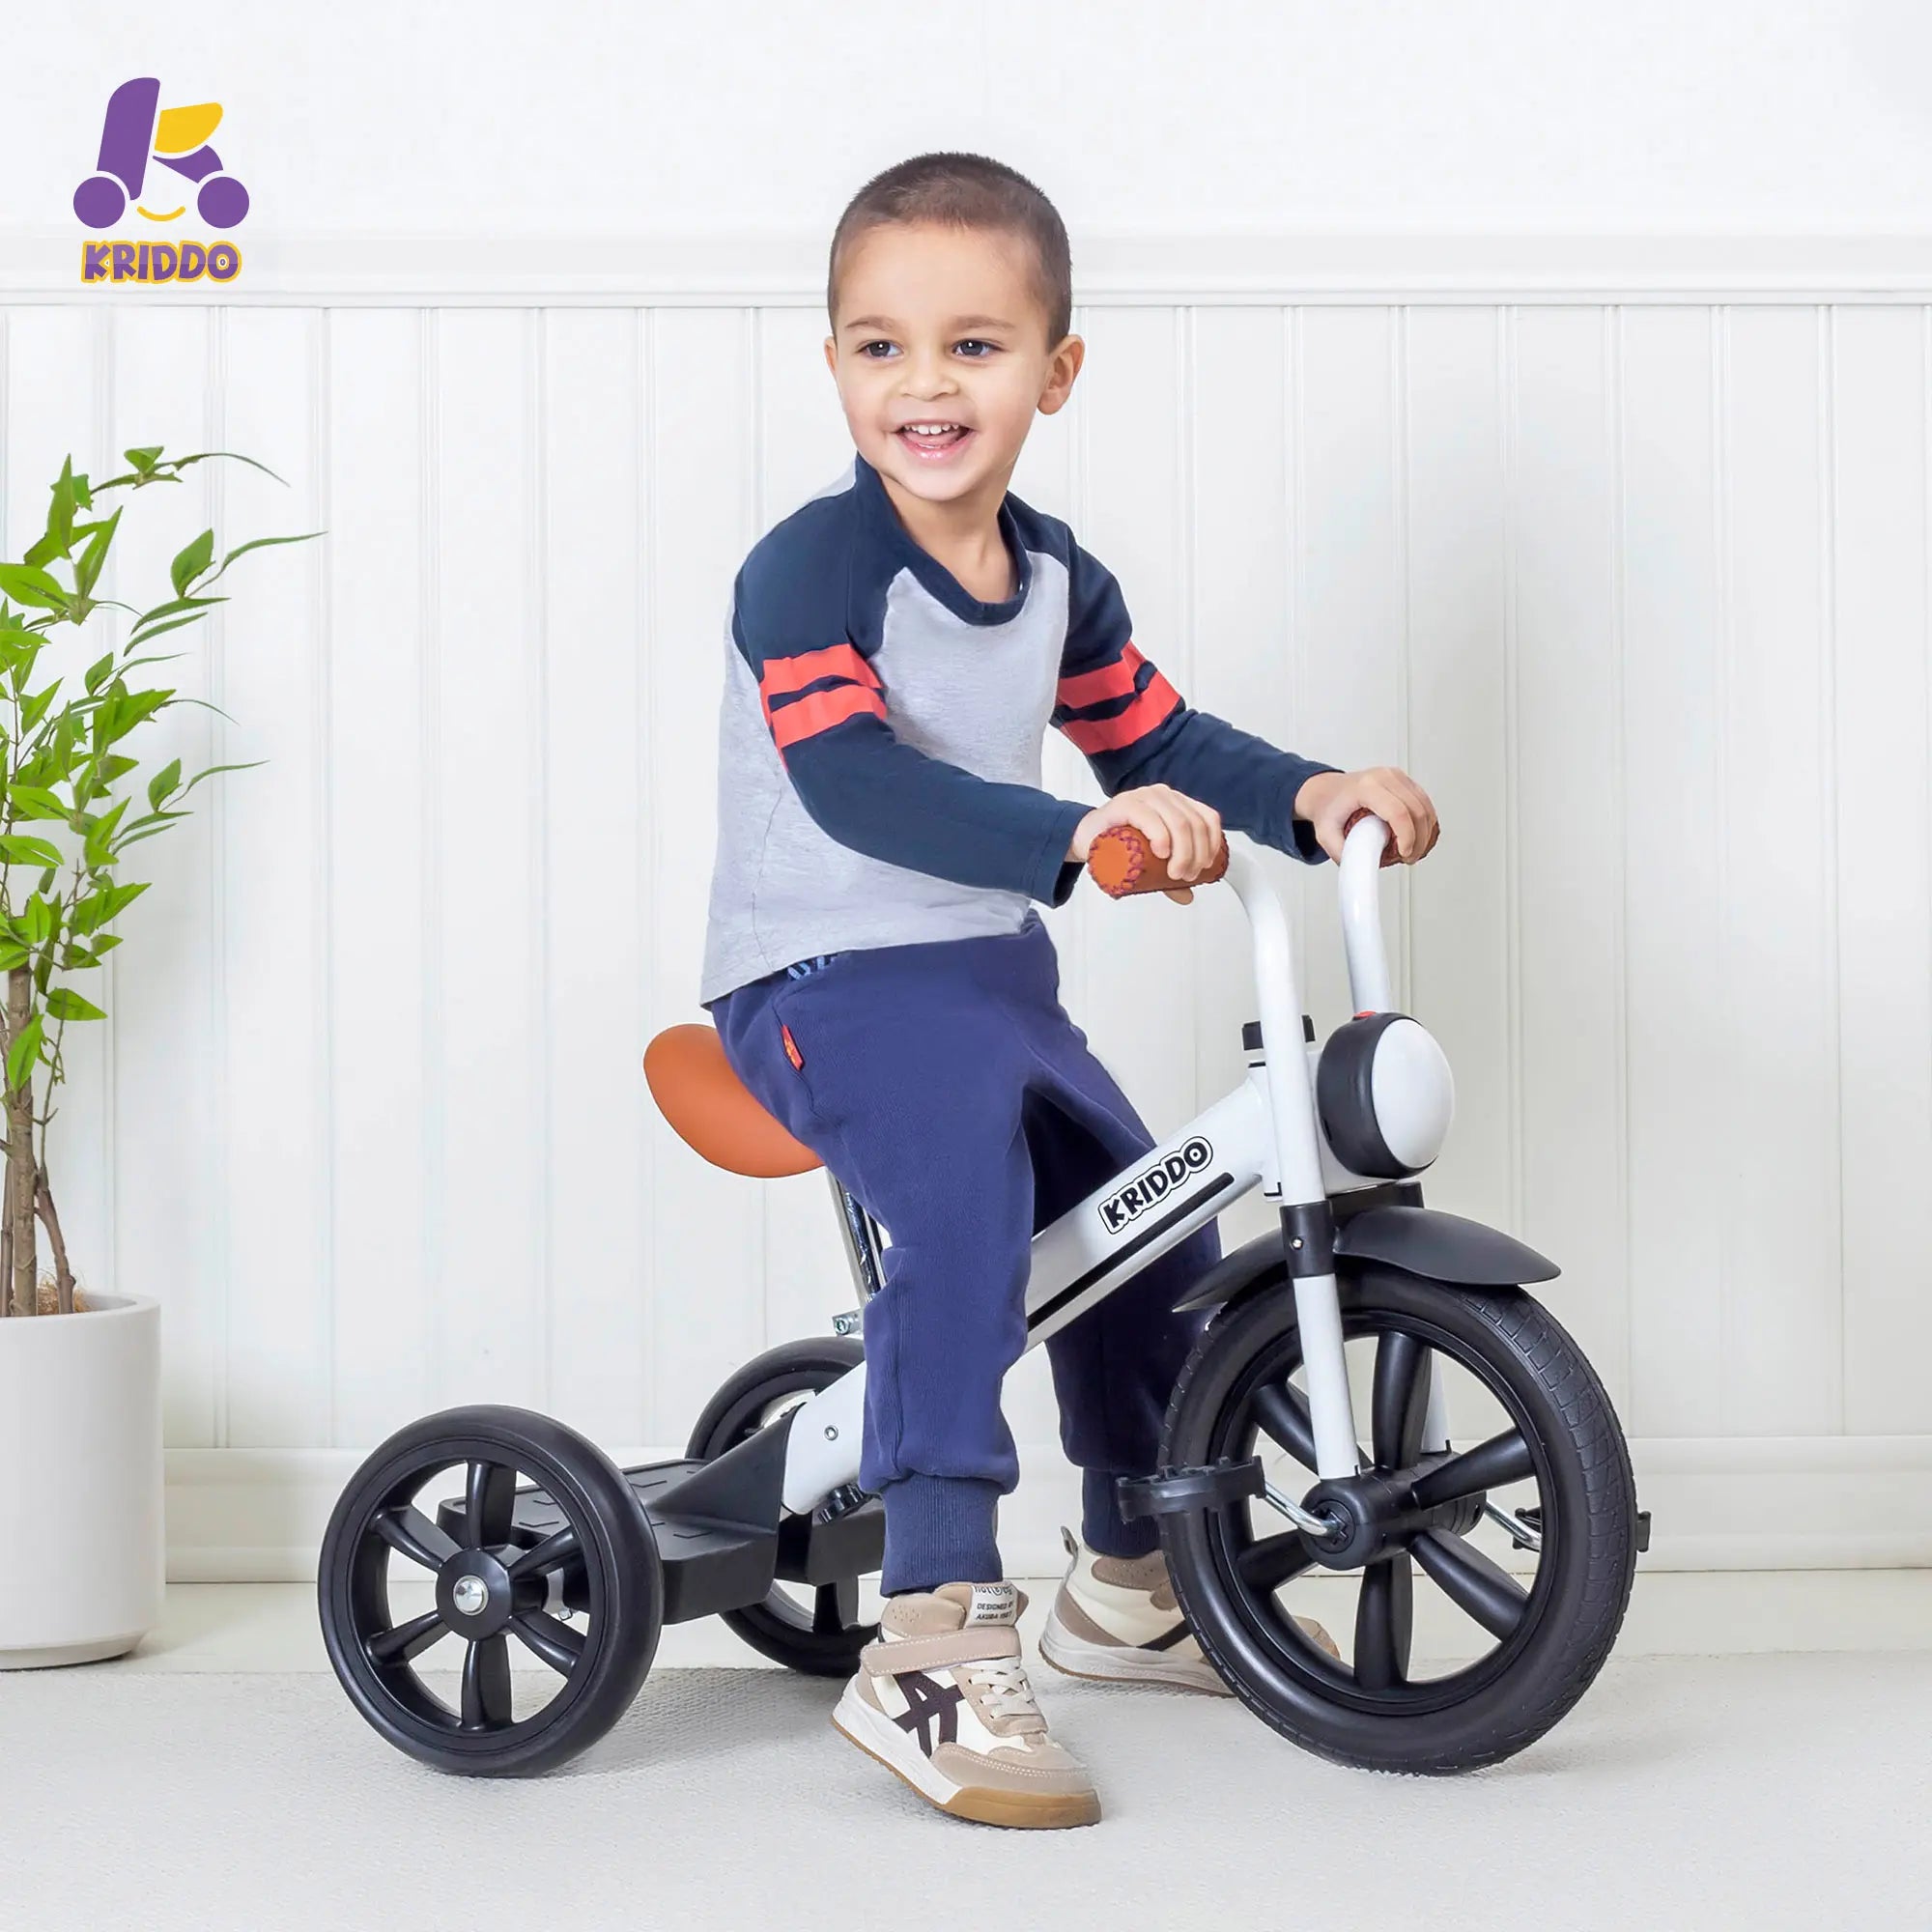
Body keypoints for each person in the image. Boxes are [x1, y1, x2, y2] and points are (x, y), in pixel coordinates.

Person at [698, 151, 1440, 1830]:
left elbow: (1158, 738)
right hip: (817, 978)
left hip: (981, 979)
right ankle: (935, 1631)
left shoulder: (1050, 577)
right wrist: (1080, 833)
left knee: (1148, 1225)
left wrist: (1310, 795)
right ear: (832, 368)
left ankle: (1126, 1578)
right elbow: (857, 786)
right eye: (879, 346)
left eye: (974, 345)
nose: (925, 384)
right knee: (962, 1212)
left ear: (1056, 370)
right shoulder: (810, 571)